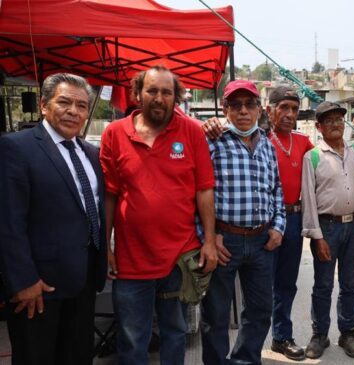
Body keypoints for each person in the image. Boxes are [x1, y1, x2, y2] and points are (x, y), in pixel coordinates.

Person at [100, 66, 218, 365]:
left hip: (179, 257)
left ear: (175, 97)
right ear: (138, 94)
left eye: (167, 92)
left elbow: (204, 190)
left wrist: (209, 243)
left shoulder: (191, 131)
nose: (159, 98)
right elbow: (110, 195)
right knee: (131, 340)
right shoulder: (114, 133)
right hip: (130, 261)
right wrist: (106, 248)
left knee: (175, 334)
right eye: (152, 90)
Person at [0, 73, 107, 364]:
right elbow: (8, 222)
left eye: (82, 105)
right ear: (44, 105)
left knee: (76, 355)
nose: (74, 111)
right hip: (38, 287)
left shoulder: (91, 153)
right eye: (65, 102)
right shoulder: (16, 148)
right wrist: (22, 280)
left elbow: (92, 209)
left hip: (83, 280)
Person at [202, 86, 314, 361]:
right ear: (224, 107)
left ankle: (245, 358)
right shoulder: (211, 140)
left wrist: (278, 226)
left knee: (260, 310)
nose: (242, 110)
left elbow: (275, 187)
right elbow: (197, 191)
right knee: (215, 313)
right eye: (235, 104)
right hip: (224, 241)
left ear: (258, 109)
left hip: (262, 241)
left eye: (249, 104)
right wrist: (210, 235)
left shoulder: (265, 142)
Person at [301, 102, 354, 359]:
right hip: (327, 228)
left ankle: (348, 333)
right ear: (319, 127)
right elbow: (308, 200)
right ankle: (320, 334)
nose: (336, 124)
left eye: (339, 119)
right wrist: (317, 237)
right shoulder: (313, 156)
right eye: (329, 121)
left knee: (350, 284)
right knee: (323, 284)